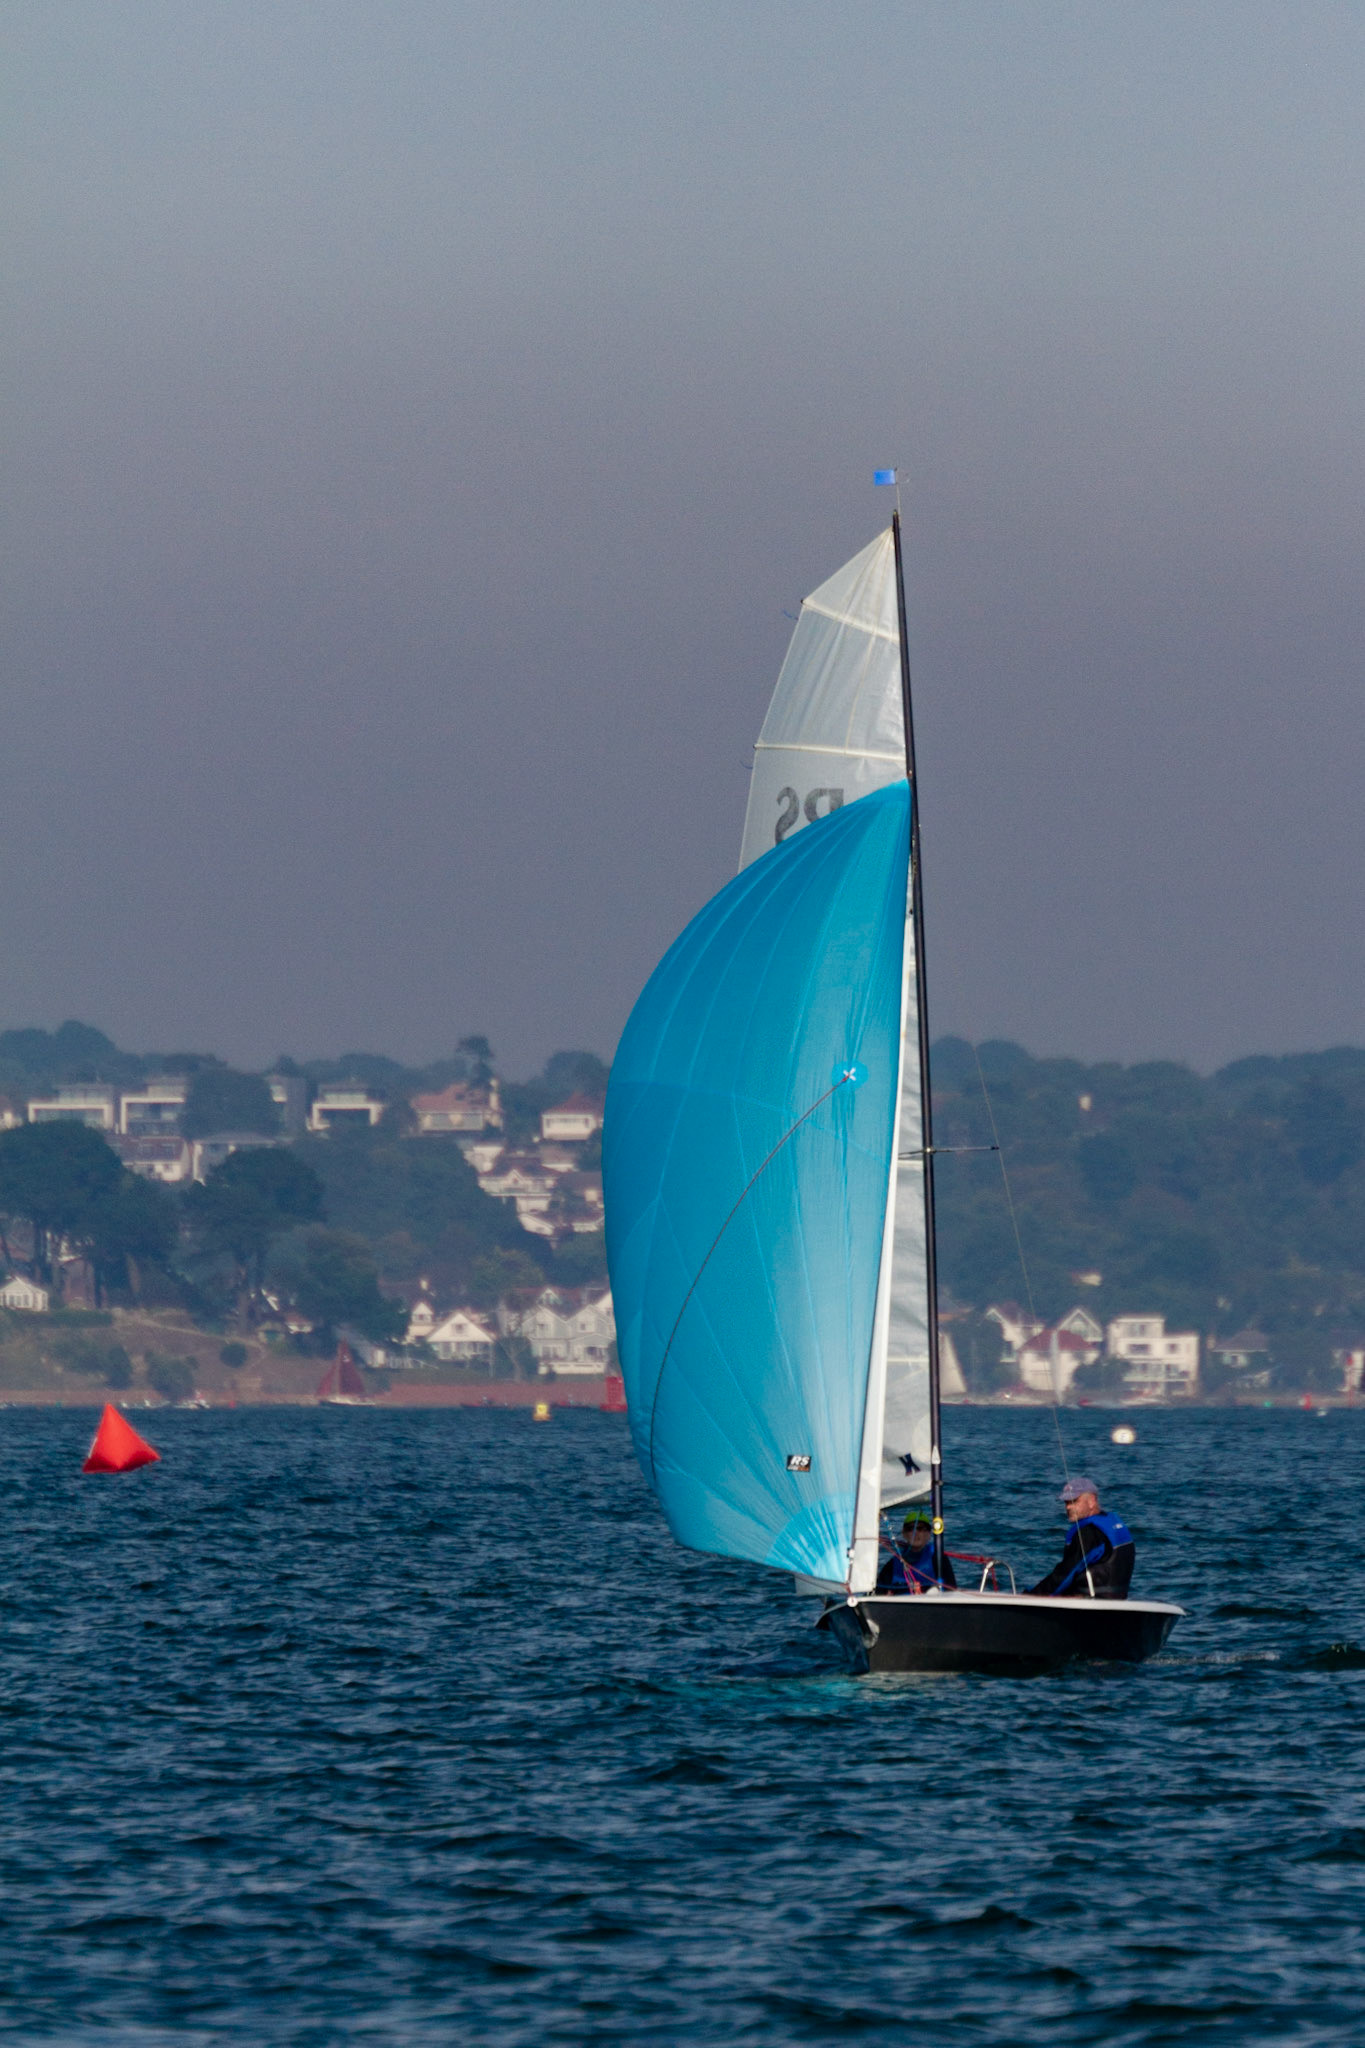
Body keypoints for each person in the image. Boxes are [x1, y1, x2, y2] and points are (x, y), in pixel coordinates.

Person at [1029, 1476, 1135, 1599]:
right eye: (1066, 1502)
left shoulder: (1089, 1533)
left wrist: (1032, 1596)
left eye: (1074, 1501)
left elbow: (1065, 1574)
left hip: (1090, 1601)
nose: (1068, 1507)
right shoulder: (1114, 1523)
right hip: (1116, 1599)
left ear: (1091, 1501)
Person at [876, 1510, 957, 1593]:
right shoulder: (893, 1564)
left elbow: (951, 1589)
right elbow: (879, 1592)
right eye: (910, 1529)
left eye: (920, 1528)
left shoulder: (938, 1558)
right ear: (904, 1534)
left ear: (928, 1534)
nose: (915, 1533)